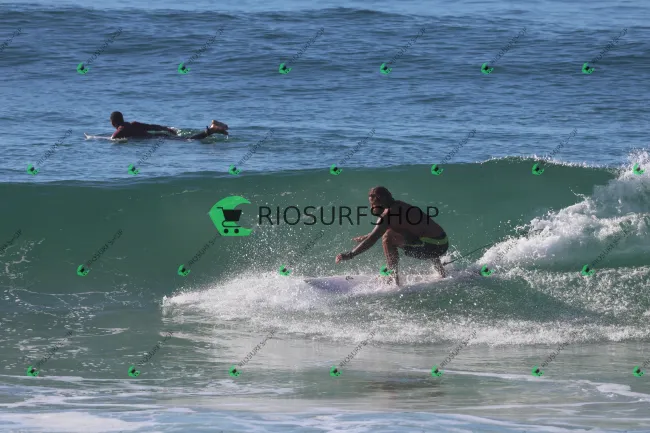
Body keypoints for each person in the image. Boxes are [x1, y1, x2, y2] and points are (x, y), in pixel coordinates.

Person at [335, 186, 449, 287]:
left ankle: (392, 277)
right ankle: (441, 272)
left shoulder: (388, 215)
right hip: (442, 242)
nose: (371, 206)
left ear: (381, 201)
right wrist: (368, 235)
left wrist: (350, 254)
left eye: (373, 204)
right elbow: (394, 227)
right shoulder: (400, 205)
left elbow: (373, 239)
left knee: (387, 238)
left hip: (432, 248)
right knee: (413, 234)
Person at [109, 111, 229, 140]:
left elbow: (113, 138)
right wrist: (166, 128)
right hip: (161, 134)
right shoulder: (133, 124)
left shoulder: (120, 131)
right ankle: (213, 127)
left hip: (160, 138)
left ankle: (211, 130)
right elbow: (152, 126)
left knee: (189, 140)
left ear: (113, 123)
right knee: (187, 138)